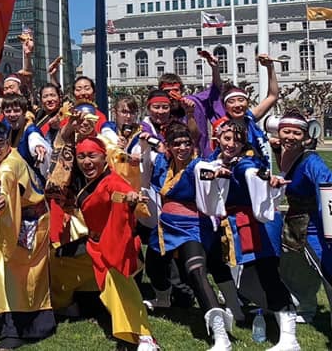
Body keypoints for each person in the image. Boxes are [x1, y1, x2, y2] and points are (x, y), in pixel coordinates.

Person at [198, 119, 300, 351]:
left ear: (244, 143)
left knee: (267, 275)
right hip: (231, 226)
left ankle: (289, 336)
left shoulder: (245, 162)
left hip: (256, 226)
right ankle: (255, 309)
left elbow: (253, 173)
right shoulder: (214, 161)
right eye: (227, 138)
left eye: (238, 140)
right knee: (228, 270)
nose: (231, 144)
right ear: (218, 138)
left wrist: (268, 180)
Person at [141, 122, 233, 350]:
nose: (182, 147)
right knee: (153, 266)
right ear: (169, 147)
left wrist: (216, 173)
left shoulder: (196, 166)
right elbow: (144, 154)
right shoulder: (163, 163)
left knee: (196, 273)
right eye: (177, 143)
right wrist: (145, 141)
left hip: (192, 227)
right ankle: (163, 298)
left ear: (193, 146)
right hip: (165, 227)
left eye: (186, 143)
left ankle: (221, 335)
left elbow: (207, 169)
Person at [72, 136, 159, 350]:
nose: (87, 162)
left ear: (104, 158)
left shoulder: (111, 179)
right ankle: (134, 335)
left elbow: (121, 193)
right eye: (81, 157)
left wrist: (130, 197)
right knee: (111, 293)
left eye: (92, 156)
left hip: (114, 243)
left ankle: (145, 337)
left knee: (122, 290)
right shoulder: (82, 181)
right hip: (95, 245)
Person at [0, 120, 56, 350]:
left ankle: (12, 332)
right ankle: (37, 326)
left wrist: (2, 198)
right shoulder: (10, 157)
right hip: (32, 220)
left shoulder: (7, 165)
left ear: (7, 142)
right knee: (29, 277)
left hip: (26, 225)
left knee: (7, 276)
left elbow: (7, 182)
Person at [273, 110, 332, 326]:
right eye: (285, 132)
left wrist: (329, 223)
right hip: (293, 222)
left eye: (296, 133)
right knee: (294, 270)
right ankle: (305, 307)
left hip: (315, 225)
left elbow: (326, 182)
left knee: (327, 271)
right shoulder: (286, 154)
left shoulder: (311, 160)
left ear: (305, 136)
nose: (290, 137)